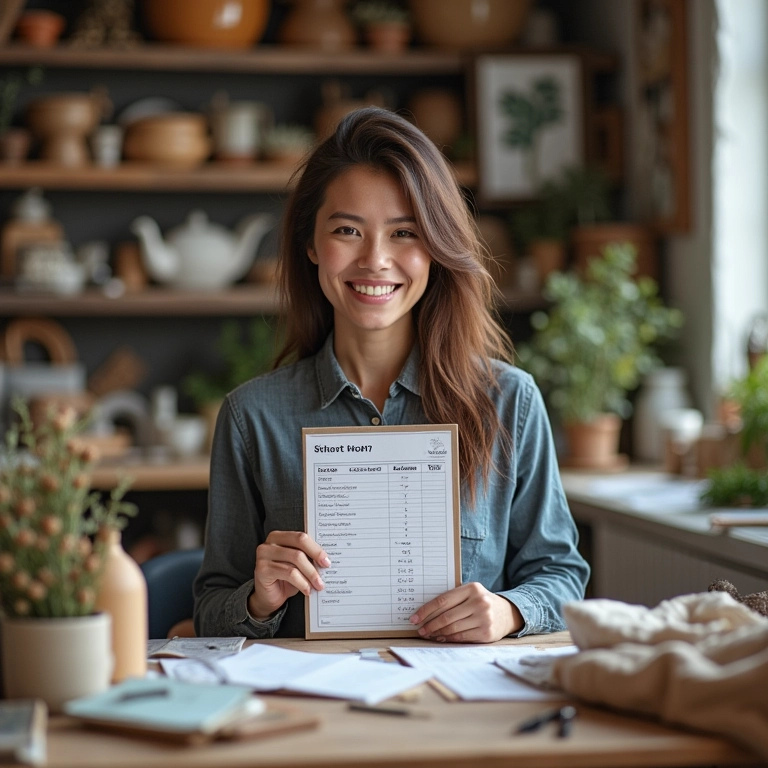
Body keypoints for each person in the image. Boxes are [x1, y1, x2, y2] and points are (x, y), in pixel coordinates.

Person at [194, 106, 589, 642]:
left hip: (459, 708)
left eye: (404, 232)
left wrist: (508, 611)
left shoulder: (508, 401)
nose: (376, 259)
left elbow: (562, 576)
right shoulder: (251, 417)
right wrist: (259, 599)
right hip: (312, 704)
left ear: (436, 248)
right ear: (311, 244)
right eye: (348, 230)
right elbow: (210, 607)